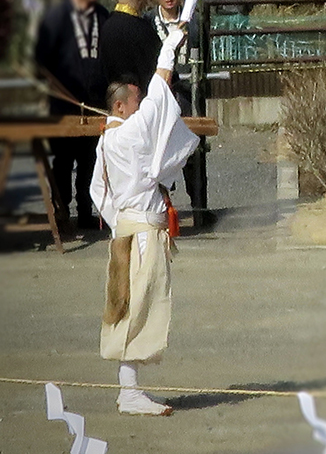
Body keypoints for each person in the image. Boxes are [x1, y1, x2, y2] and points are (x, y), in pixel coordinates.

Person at [89, 26, 197, 416]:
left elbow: (95, 192)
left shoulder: (106, 140)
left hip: (128, 231)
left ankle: (129, 389)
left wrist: (119, 223)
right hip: (140, 234)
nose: (138, 106)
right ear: (120, 107)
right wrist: (168, 46)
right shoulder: (128, 133)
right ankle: (129, 392)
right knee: (136, 309)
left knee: (129, 305)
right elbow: (157, 97)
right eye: (132, 102)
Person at [35, 0, 109, 230]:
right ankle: (61, 208)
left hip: (95, 102)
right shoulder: (56, 18)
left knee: (90, 159)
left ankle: (86, 210)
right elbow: (39, 61)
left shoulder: (103, 15)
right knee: (63, 160)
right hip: (63, 103)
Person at [144, 0, 212, 227]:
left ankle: (199, 207)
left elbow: (205, 56)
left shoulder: (193, 21)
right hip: (160, 96)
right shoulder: (148, 22)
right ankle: (161, 207)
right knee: (157, 150)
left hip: (188, 93)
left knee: (194, 150)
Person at [99, 0, 162, 88]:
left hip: (109, 96)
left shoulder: (104, 27)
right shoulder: (143, 30)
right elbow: (156, 68)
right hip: (137, 98)